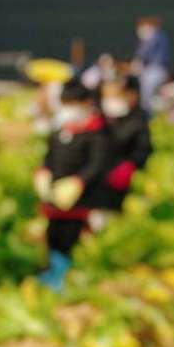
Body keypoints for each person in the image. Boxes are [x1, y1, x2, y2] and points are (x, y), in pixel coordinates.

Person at [35, 79, 114, 290]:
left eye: (73, 104)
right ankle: (50, 273)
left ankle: (65, 278)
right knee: (53, 235)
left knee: (71, 239)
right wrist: (43, 173)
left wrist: (78, 181)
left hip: (79, 200)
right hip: (55, 198)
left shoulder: (96, 133)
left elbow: (98, 165)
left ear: (86, 103)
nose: (69, 110)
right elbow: (49, 157)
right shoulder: (59, 130)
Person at [94, 76, 152, 211]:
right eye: (106, 96)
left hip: (124, 183)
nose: (110, 100)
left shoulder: (136, 120)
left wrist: (130, 166)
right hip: (97, 183)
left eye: (115, 95)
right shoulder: (98, 119)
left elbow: (143, 149)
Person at [132, 16, 171, 110]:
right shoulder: (153, 37)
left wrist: (136, 62)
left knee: (148, 99)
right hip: (151, 71)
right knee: (149, 98)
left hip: (155, 71)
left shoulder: (156, 36)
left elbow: (143, 53)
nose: (140, 30)